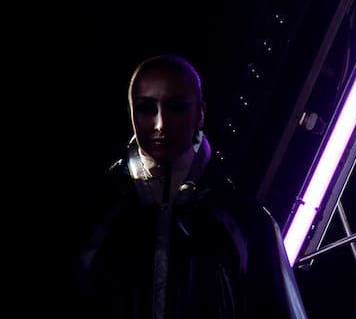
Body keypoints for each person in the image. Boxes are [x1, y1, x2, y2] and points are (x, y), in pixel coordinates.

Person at [75, 54, 307, 318]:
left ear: (200, 114)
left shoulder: (246, 223)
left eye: (177, 106)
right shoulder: (97, 213)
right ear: (131, 114)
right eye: (146, 108)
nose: (161, 125)